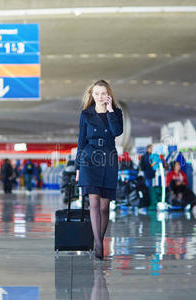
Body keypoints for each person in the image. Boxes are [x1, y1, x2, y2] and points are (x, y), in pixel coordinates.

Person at [75, 79, 123, 260]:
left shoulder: (116, 113)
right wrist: (78, 166)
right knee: (93, 202)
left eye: (103, 93)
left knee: (105, 206)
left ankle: (99, 239)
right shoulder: (85, 114)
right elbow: (81, 142)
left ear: (108, 94)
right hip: (89, 158)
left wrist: (110, 111)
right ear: (92, 95)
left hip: (109, 159)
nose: (99, 97)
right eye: (96, 94)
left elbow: (117, 132)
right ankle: (98, 244)